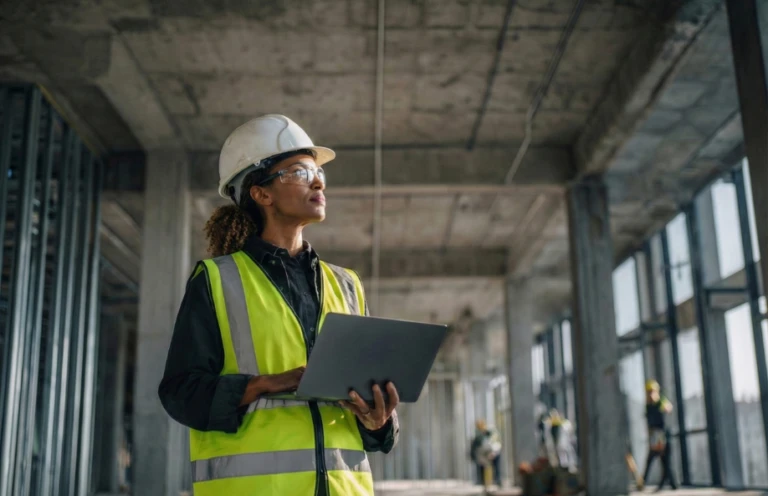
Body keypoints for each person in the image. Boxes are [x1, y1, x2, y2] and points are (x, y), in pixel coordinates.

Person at [158, 115, 400, 496]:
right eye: (302, 171)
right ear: (261, 193)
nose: (319, 181)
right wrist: (269, 383)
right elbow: (181, 393)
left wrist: (379, 420)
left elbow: (372, 426)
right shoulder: (217, 279)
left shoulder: (347, 284)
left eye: (319, 172)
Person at [642, 380, 677, 491]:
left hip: (662, 435)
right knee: (655, 459)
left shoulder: (661, 401)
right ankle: (672, 485)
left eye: (652, 391)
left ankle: (671, 485)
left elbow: (668, 408)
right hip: (654, 436)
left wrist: (664, 405)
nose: (650, 394)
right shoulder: (648, 406)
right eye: (648, 392)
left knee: (665, 461)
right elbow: (649, 424)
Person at [470, 419, 502, 487]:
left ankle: (497, 480)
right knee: (482, 467)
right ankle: (482, 481)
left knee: (496, 466)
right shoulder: (478, 436)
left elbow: (496, 444)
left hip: (493, 452)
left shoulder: (492, 433)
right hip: (484, 454)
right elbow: (477, 449)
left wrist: (493, 453)